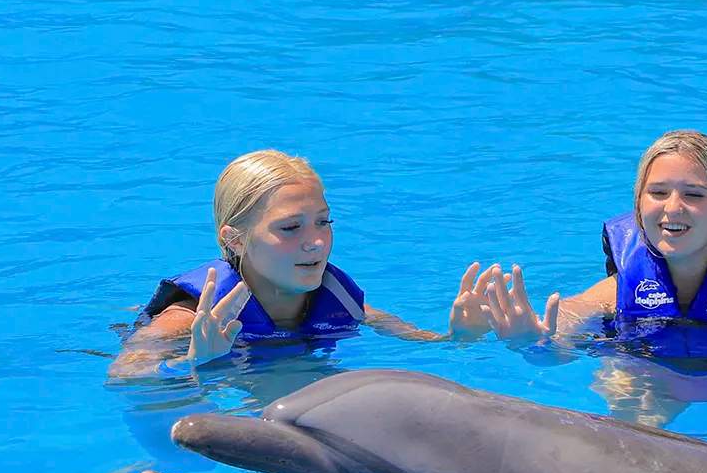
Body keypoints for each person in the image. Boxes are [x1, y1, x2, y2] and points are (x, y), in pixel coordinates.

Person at [109, 149, 498, 379]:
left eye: (324, 222)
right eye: (290, 227)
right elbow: (125, 376)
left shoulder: (344, 305)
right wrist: (194, 361)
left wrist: (464, 337)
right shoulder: (188, 320)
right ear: (234, 239)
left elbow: (429, 348)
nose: (315, 242)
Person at [479, 130, 707, 361]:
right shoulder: (613, 294)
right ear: (639, 206)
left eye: (694, 194)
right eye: (657, 192)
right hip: (642, 373)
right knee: (626, 392)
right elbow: (557, 344)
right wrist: (530, 343)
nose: (673, 208)